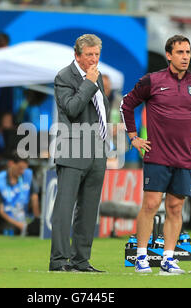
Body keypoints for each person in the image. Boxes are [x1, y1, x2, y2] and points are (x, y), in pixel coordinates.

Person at [120, 35, 191, 275]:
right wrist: (133, 137)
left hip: (185, 157)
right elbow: (127, 105)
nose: (185, 57)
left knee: (175, 208)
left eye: (187, 52)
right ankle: (141, 257)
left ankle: (168, 258)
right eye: (180, 52)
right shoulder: (152, 81)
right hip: (157, 155)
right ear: (168, 55)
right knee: (151, 204)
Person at [49, 34, 109, 273]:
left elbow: (100, 110)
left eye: (97, 54)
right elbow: (72, 109)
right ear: (77, 55)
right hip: (73, 148)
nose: (94, 59)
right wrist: (89, 83)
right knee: (64, 208)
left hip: (97, 149)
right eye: (89, 55)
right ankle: (58, 261)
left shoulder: (97, 76)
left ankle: (81, 261)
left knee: (89, 209)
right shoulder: (64, 76)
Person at [0, 153, 40, 235]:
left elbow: (34, 198)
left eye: (24, 168)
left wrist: (37, 220)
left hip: (19, 216)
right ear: (11, 164)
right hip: (0, 216)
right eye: (20, 168)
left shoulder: (28, 175)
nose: (22, 172)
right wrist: (21, 226)